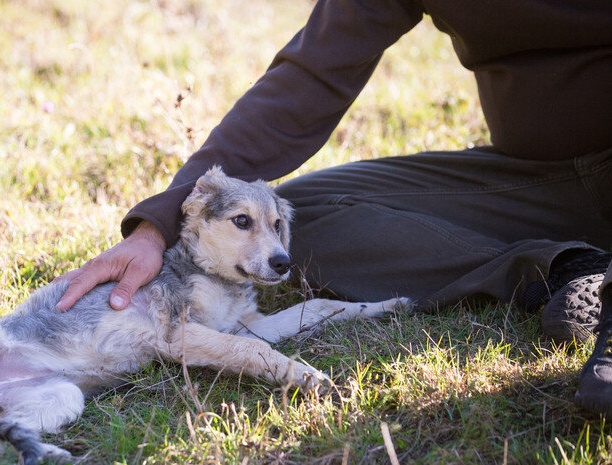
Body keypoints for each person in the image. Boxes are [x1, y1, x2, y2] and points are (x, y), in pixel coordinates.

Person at [54, 0, 612, 414]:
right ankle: (566, 267)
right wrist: (157, 224)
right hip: (533, 176)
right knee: (301, 215)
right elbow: (308, 77)